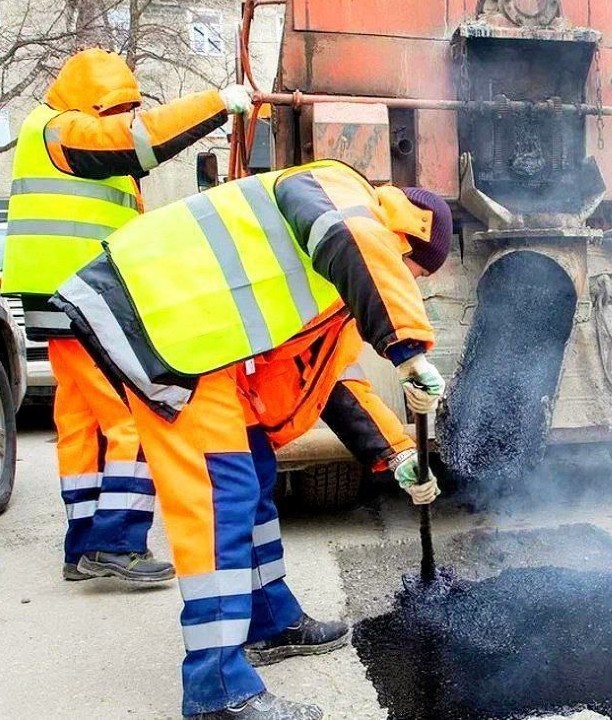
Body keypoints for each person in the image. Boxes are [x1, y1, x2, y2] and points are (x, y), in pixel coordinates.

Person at [54, 158, 452, 718]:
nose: (407, 284)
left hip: (192, 341)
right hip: (159, 321)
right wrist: (408, 348)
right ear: (403, 239)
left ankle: (269, 620)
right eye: (413, 274)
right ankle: (217, 690)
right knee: (222, 495)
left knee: (255, 467)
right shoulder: (341, 200)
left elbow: (330, 377)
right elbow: (356, 241)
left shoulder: (331, 270)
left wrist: (399, 452)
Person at [2, 48, 253, 583]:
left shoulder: (60, 139)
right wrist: (216, 102)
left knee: (81, 424)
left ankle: (82, 546)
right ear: (91, 103)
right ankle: (116, 543)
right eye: (115, 109)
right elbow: (138, 140)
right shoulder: (63, 130)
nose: (123, 120)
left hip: (58, 303)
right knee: (134, 416)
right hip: (80, 302)